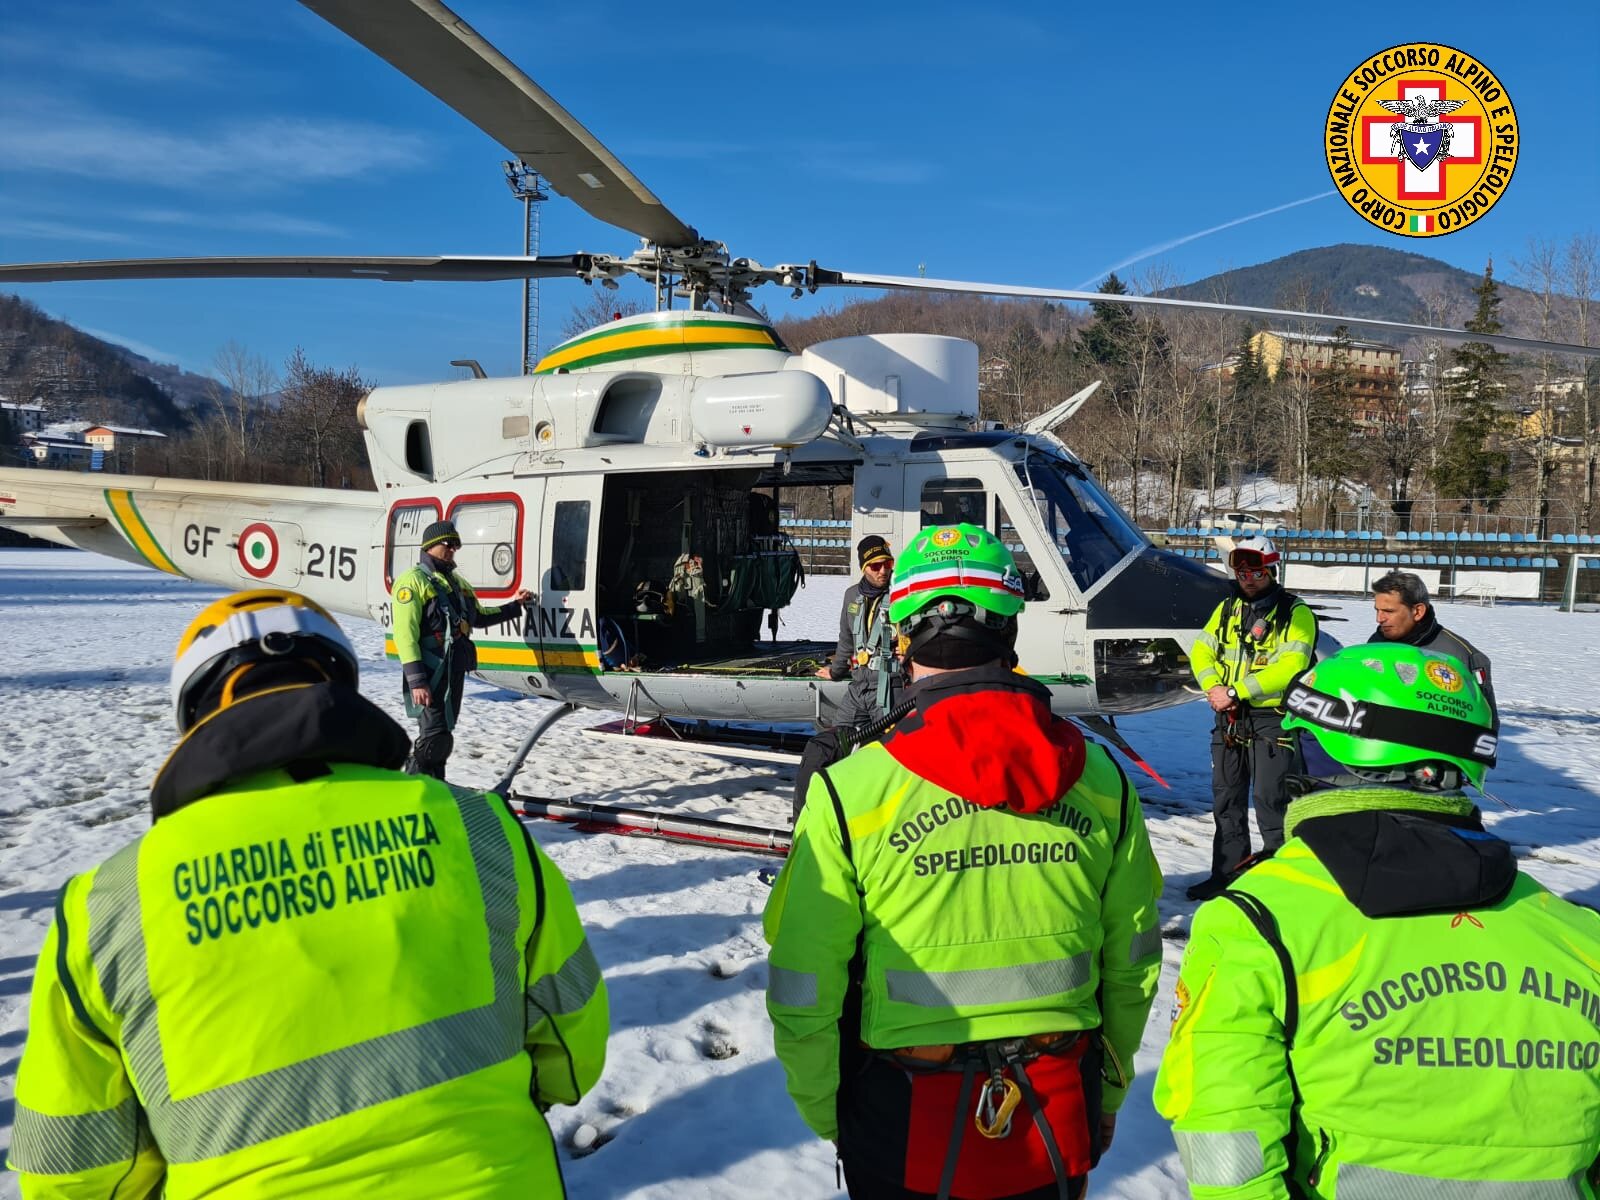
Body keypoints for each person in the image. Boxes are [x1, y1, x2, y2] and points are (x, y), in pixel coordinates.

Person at [8, 590, 608, 1198]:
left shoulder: (108, 904)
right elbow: (572, 1048)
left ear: (194, 712)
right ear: (339, 688)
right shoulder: (483, 830)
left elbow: (70, 1173)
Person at [767, 524, 1164, 1200]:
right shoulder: (1101, 781)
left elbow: (804, 984)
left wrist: (827, 1111)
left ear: (901, 632)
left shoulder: (849, 794)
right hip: (1054, 1111)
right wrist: (1108, 1093)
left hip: (902, 1125)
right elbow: (1133, 967)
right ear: (1009, 627)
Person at [1154, 642, 1600, 1197]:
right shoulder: (1580, 938)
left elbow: (1227, 1143)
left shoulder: (1258, 921)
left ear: (1325, 755)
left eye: (1304, 746)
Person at [1187, 535, 1318, 901]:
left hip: (1271, 719)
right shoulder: (1228, 607)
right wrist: (1215, 687)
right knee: (1226, 799)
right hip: (1229, 718)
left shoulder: (1295, 613)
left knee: (1270, 800)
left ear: (1271, 570)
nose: (1247, 578)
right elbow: (1202, 650)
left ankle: (1281, 881)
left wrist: (1236, 691)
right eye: (1241, 570)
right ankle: (1227, 875)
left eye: (1255, 571)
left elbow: (1292, 665)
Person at [394, 518, 533, 779]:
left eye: (457, 545)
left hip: (454, 669)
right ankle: (413, 789)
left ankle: (435, 788)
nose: (454, 549)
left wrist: (515, 606)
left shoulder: (457, 583)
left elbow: (479, 616)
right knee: (434, 737)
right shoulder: (412, 582)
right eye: (449, 544)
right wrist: (417, 681)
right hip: (430, 672)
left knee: (443, 735)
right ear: (431, 546)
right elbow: (405, 635)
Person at [792, 535, 907, 824]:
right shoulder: (851, 596)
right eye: (876, 565)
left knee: (892, 757)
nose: (883, 571)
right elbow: (846, 639)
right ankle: (813, 822)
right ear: (864, 567)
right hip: (858, 689)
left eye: (887, 564)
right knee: (830, 748)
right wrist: (835, 670)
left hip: (889, 690)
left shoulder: (901, 595)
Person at [1370, 568, 1496, 719]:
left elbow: (1485, 722)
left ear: (1418, 611)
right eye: (1377, 610)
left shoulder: (1463, 656)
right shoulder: (1374, 644)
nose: (1379, 619)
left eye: (1388, 611)